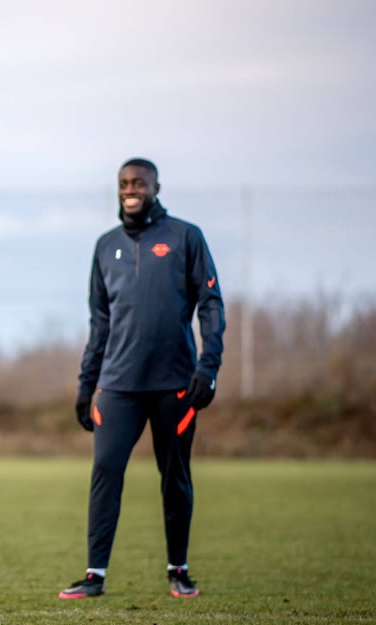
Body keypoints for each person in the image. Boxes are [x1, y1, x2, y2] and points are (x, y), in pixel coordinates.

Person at [60, 158, 225, 600]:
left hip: (176, 384)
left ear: (155, 187)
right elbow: (99, 322)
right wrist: (85, 383)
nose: (131, 189)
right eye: (124, 183)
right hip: (117, 387)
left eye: (139, 183)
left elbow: (211, 304)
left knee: (175, 477)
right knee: (105, 472)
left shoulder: (185, 237)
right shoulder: (105, 246)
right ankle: (94, 575)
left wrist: (208, 367)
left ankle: (179, 570)